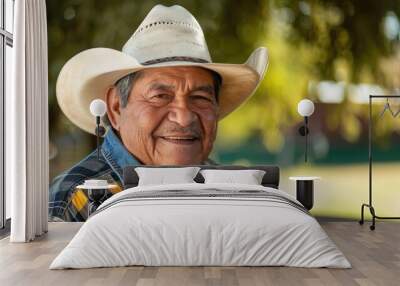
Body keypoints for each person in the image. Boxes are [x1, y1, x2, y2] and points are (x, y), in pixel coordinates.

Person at [49, 4, 269, 222]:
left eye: (200, 98)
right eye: (160, 96)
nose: (183, 117)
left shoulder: (231, 192)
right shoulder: (75, 199)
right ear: (116, 107)